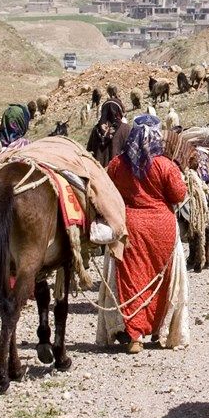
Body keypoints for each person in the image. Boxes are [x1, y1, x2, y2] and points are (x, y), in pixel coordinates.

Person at [106, 115, 188, 354]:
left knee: (132, 279)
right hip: (162, 228)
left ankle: (135, 336)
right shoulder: (165, 165)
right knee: (162, 281)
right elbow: (179, 194)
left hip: (129, 228)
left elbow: (108, 193)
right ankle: (159, 330)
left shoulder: (117, 165)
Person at [87, 99, 131, 167]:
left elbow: (90, 151)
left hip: (99, 171)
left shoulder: (96, 129)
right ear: (118, 112)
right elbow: (130, 152)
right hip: (116, 171)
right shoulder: (125, 129)